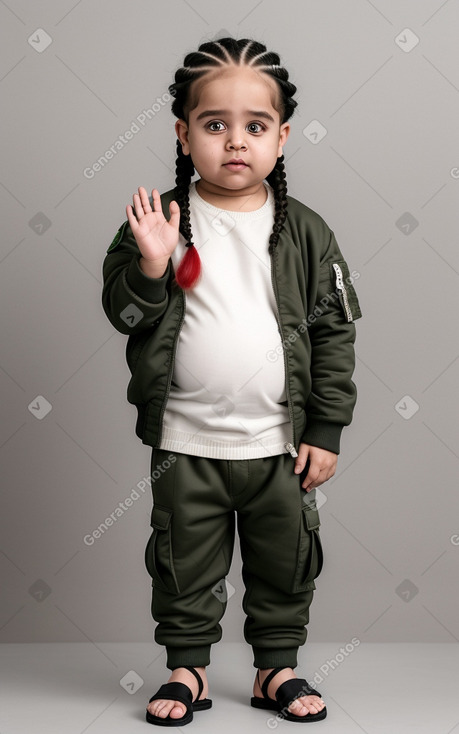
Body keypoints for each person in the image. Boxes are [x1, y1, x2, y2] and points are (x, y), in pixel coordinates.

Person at [101, 36, 362, 727]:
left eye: (254, 126)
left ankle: (276, 668)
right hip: (187, 443)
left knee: (286, 561)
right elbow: (122, 313)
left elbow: (334, 334)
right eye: (215, 125)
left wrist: (325, 428)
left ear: (281, 135)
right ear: (183, 135)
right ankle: (188, 669)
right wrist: (152, 267)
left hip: (279, 446)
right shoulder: (158, 222)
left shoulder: (306, 232)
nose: (235, 142)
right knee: (182, 560)